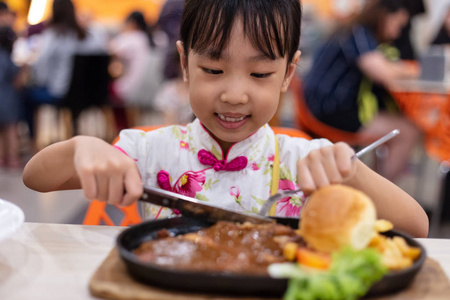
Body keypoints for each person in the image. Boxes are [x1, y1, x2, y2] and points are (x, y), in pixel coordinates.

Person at [22, 0, 428, 238]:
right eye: (213, 70)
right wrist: (82, 148)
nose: (234, 94)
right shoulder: (148, 151)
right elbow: (36, 179)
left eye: (260, 74)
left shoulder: (303, 159)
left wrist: (348, 174)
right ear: (184, 63)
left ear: (288, 73)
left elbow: (415, 227)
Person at [303, 0, 421, 182]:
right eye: (398, 24)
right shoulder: (358, 32)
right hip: (330, 111)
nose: (397, 32)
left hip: (325, 106)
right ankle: (379, 195)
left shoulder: (354, 28)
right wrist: (413, 70)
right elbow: (383, 72)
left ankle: (374, 189)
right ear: (386, 15)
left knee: (394, 124)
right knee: (407, 131)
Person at [24, 0, 105, 140]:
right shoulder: (87, 36)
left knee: (24, 97)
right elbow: (102, 55)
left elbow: (41, 68)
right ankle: (75, 129)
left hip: (59, 94)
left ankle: (32, 143)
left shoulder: (53, 35)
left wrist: (39, 81)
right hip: (88, 95)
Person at [109, 11, 164, 130]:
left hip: (131, 90)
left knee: (109, 90)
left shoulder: (131, 38)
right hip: (155, 89)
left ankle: (120, 129)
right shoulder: (157, 38)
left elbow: (110, 50)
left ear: (132, 23)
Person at [0, 26, 21, 169]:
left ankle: (1, 157)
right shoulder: (7, 57)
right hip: (7, 98)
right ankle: (13, 158)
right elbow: (17, 81)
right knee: (10, 129)